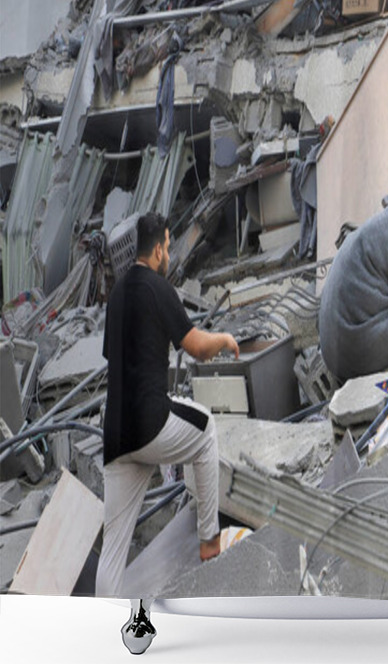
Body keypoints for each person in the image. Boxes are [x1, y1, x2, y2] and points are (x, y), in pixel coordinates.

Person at [95, 212, 240, 597]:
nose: (170, 255)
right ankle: (209, 541)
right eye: (168, 247)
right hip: (150, 424)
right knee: (205, 428)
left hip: (115, 436)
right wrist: (224, 338)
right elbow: (196, 347)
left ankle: (96, 632)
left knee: (113, 550)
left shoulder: (118, 295)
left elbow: (118, 358)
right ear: (158, 248)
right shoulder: (160, 290)